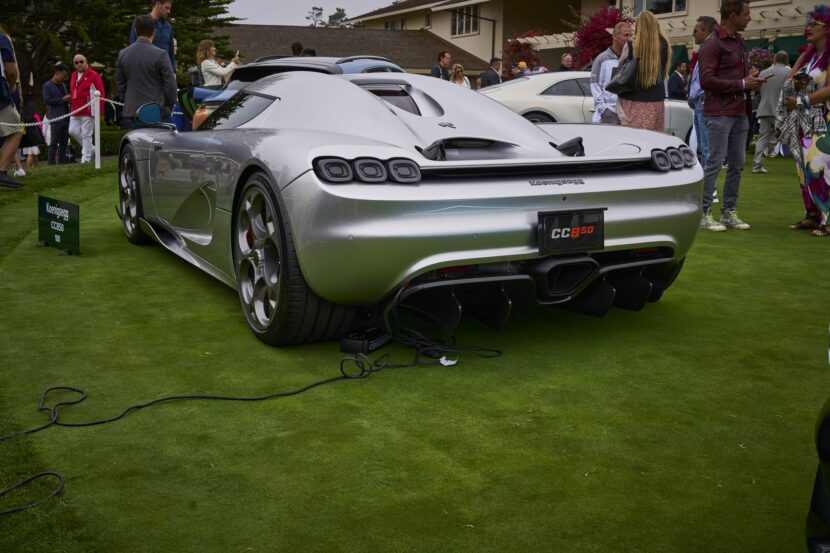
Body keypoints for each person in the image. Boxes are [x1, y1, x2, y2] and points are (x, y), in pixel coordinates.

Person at [698, 0, 765, 231]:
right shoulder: (712, 43)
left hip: (739, 111)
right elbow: (706, 81)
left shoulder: (738, 41)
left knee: (737, 164)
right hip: (719, 112)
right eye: (746, 14)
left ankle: (728, 212)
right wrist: (742, 84)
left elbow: (738, 79)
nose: (749, 18)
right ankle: (704, 213)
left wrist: (751, 81)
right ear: (733, 16)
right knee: (714, 163)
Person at [782, 5, 830, 236]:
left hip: (824, 119)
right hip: (803, 121)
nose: (808, 28)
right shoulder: (808, 56)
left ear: (827, 28)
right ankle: (812, 215)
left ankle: (828, 219)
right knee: (803, 170)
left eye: (814, 24)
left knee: (819, 166)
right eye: (808, 24)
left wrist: (801, 100)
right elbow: (789, 81)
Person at [117, 14, 178, 129]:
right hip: (158, 110)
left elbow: (121, 84)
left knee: (138, 140)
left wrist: (128, 99)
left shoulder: (123, 54)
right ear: (154, 32)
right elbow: (170, 84)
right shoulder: (161, 54)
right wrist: (169, 105)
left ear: (136, 31)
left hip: (133, 110)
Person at [616, 11, 670, 132]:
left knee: (633, 138)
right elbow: (664, 72)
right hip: (656, 100)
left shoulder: (631, 45)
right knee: (654, 137)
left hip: (633, 99)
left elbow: (620, 66)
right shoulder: (664, 45)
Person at [752, 51, 789, 174]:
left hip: (764, 109)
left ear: (774, 60)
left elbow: (758, 92)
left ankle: (757, 165)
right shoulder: (789, 72)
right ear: (786, 61)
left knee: (762, 138)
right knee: (791, 136)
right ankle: (803, 165)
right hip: (781, 111)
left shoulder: (763, 72)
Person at [688, 16, 717, 171]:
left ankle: (708, 182)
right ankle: (704, 178)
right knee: (702, 146)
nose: (693, 34)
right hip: (698, 102)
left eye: (696, 30)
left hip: (703, 102)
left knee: (706, 147)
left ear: (706, 31)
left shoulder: (711, 51)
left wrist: (703, 95)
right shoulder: (704, 51)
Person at [590, 21, 633, 125]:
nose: (629, 38)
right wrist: (603, 108)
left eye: (631, 35)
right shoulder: (601, 59)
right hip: (610, 112)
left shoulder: (631, 59)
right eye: (626, 35)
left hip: (628, 111)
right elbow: (595, 85)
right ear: (615, 37)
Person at [68, 54, 104, 164]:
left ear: (86, 62)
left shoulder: (94, 75)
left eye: (81, 61)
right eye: (76, 62)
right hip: (76, 110)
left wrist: (99, 110)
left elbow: (101, 92)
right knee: (72, 131)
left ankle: (86, 159)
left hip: (89, 110)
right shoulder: (74, 75)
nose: (79, 64)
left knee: (86, 134)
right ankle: (92, 149)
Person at [0, 23, 22, 188]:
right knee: (15, 130)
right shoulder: (2, 38)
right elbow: (11, 70)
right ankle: (1, 171)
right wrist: (13, 85)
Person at [130, 0, 175, 72]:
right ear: (158, 4)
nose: (169, 11)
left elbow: (171, 52)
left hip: (164, 72)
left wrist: (173, 71)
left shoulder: (168, 27)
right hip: (146, 71)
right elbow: (133, 48)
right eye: (166, 8)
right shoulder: (140, 23)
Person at [42, 63, 70, 165]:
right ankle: (51, 163)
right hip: (56, 117)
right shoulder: (47, 86)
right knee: (53, 142)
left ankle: (62, 162)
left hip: (66, 116)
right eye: (63, 75)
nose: (64, 78)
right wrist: (62, 99)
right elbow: (47, 100)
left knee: (64, 142)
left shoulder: (63, 85)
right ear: (57, 73)